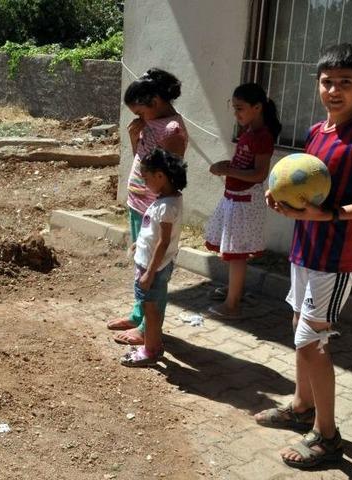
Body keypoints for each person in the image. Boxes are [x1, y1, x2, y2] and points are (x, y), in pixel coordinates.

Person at [253, 43, 352, 469]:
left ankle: (328, 437)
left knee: (313, 342)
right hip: (304, 248)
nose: (334, 90)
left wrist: (324, 214)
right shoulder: (315, 132)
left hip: (335, 256)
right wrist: (283, 199)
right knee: (299, 329)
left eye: (345, 83)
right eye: (327, 82)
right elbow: (305, 186)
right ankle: (300, 406)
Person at [108, 68, 188, 346]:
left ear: (154, 102)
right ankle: (138, 314)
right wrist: (135, 138)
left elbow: (169, 175)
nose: (138, 118)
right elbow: (144, 162)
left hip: (154, 210)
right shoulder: (151, 124)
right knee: (141, 265)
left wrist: (157, 209)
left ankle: (148, 330)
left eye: (140, 112)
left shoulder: (172, 130)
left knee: (154, 272)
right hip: (138, 205)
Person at [203, 83, 282, 319]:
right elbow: (244, 166)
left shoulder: (263, 137)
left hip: (245, 201)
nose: (236, 114)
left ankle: (232, 304)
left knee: (236, 254)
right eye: (234, 108)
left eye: (240, 109)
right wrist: (228, 169)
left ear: (257, 108)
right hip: (235, 199)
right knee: (232, 250)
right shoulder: (249, 132)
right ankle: (233, 291)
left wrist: (227, 170)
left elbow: (259, 174)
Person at [119, 147, 187, 367]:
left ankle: (150, 351)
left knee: (151, 309)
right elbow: (155, 233)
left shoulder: (167, 206)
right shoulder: (168, 199)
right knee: (151, 307)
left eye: (147, 178)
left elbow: (163, 241)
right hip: (153, 265)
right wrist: (140, 243)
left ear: (160, 176)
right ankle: (153, 347)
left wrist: (149, 272)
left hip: (154, 269)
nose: (145, 183)